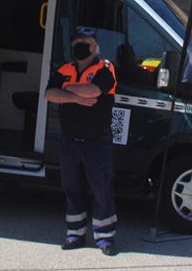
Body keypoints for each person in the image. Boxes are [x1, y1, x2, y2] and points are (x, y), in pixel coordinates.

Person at [44, 27, 119, 256]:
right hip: (69, 141)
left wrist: (66, 89)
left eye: (85, 42)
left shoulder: (105, 68)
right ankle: (75, 234)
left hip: (97, 141)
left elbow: (94, 91)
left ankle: (105, 238)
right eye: (76, 41)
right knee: (72, 186)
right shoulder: (64, 68)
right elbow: (49, 94)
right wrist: (73, 96)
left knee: (101, 188)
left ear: (95, 46)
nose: (80, 45)